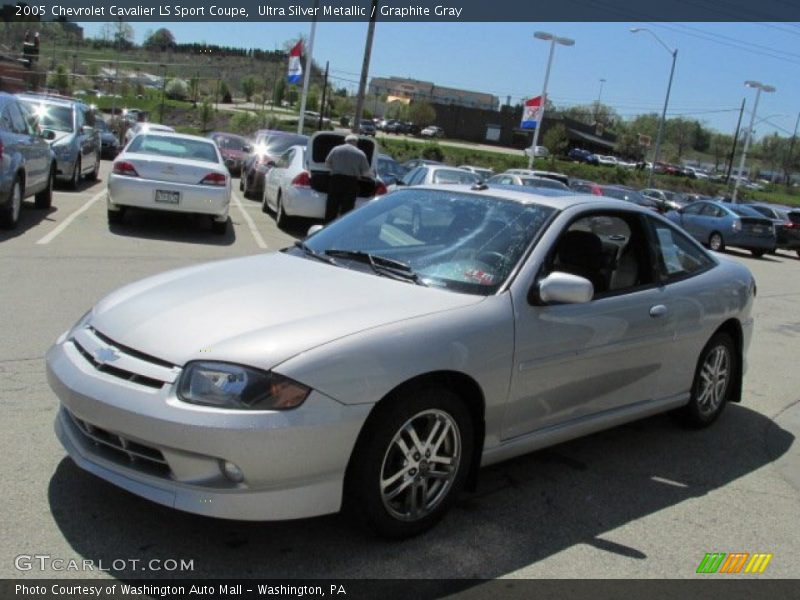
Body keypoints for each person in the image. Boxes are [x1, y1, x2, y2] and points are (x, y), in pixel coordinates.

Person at [324, 134, 373, 222]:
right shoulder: (360, 153)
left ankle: (328, 226)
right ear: (356, 142)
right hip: (351, 182)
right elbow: (366, 172)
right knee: (347, 207)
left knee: (332, 205)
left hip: (336, 180)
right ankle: (342, 227)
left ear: (345, 141)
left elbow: (327, 164)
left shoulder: (335, 149)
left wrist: (335, 168)